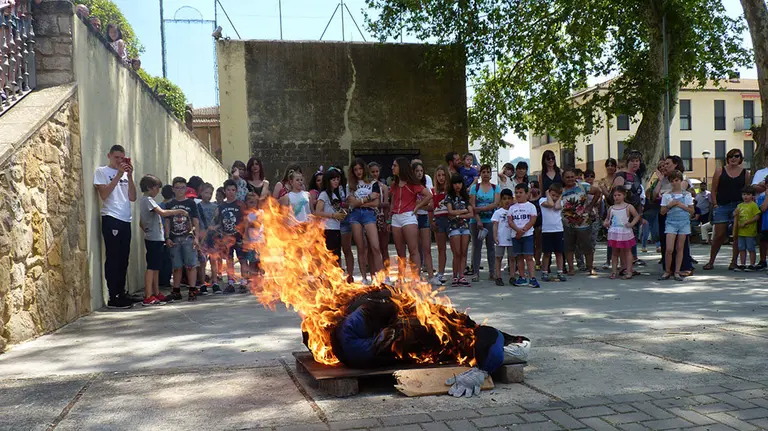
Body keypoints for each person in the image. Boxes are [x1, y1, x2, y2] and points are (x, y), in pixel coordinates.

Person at [94, 144, 137, 309]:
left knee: (124, 258)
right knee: (113, 257)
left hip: (126, 218)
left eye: (122, 158)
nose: (119, 160)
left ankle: (121, 292)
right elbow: (104, 195)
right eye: (116, 157)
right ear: (109, 156)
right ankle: (113, 295)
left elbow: (132, 197)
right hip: (111, 217)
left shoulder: (126, 174)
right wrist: (118, 175)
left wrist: (130, 176)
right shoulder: (102, 171)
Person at [139, 175, 187, 306]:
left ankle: (156, 292)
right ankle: (148, 295)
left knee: (156, 267)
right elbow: (163, 213)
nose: (158, 191)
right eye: (156, 188)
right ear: (149, 187)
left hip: (156, 237)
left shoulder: (149, 200)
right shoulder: (148, 200)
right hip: (153, 238)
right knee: (151, 267)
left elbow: (141, 223)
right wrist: (178, 211)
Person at [705, 149, 750, 270]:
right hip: (722, 206)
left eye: (736, 156)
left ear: (741, 158)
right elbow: (713, 190)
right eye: (730, 156)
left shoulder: (746, 173)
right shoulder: (720, 171)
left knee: (736, 235)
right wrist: (715, 204)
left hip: (738, 206)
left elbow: (747, 190)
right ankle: (711, 261)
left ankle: (734, 262)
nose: (733, 158)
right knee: (719, 235)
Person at [389, 158, 432, 278]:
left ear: (401, 167)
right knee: (400, 252)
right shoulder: (394, 184)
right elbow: (392, 202)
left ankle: (415, 278)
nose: (392, 168)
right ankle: (401, 277)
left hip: (408, 216)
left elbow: (428, 195)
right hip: (396, 217)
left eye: (395, 165)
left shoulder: (413, 183)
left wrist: (417, 206)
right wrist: (389, 217)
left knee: (413, 249)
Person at [653, 156, 695, 276]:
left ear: (675, 164)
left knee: (681, 245)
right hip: (666, 213)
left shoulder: (683, 178)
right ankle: (668, 268)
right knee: (667, 244)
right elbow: (654, 194)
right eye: (664, 164)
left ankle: (683, 266)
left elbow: (680, 191)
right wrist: (660, 180)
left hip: (680, 215)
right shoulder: (663, 179)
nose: (665, 166)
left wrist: (668, 195)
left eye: (667, 164)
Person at [347, 159, 385, 283]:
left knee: (375, 246)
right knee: (361, 247)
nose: (358, 172)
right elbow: (351, 203)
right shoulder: (350, 185)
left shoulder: (373, 183)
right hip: (355, 215)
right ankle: (364, 277)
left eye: (360, 169)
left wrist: (359, 203)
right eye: (355, 169)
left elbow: (376, 203)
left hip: (369, 214)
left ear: (364, 169)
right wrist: (367, 199)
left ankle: (380, 277)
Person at [164, 177, 201, 300]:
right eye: (177, 187)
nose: (180, 190)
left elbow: (196, 221)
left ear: (186, 188)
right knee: (177, 266)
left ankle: (192, 289)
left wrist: (196, 237)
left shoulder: (191, 203)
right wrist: (167, 237)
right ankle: (176, 290)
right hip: (174, 238)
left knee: (191, 265)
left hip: (188, 238)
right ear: (173, 189)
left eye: (183, 187)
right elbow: (167, 222)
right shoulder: (169, 204)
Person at [561, 168, 601, 276]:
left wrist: (590, 206)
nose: (570, 179)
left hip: (584, 222)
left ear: (575, 177)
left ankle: (590, 268)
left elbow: (598, 192)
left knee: (587, 247)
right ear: (563, 179)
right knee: (569, 247)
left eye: (572, 177)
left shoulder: (583, 186)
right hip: (567, 223)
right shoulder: (561, 190)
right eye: (567, 177)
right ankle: (571, 269)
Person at [212, 180, 246, 294]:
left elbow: (245, 221)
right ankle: (231, 282)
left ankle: (243, 282)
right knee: (229, 260)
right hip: (227, 238)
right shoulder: (221, 206)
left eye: (233, 190)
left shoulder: (240, 204)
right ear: (224, 191)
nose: (231, 192)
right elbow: (219, 222)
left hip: (239, 237)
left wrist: (245, 235)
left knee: (242, 260)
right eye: (228, 190)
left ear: (236, 191)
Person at [469, 165, 499, 281]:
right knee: (476, 247)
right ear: (480, 174)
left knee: (491, 247)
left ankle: (492, 272)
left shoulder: (496, 188)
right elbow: (472, 205)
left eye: (488, 172)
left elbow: (495, 203)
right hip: (476, 221)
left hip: (491, 220)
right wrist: (478, 220)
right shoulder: (474, 188)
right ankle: (475, 272)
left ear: (491, 174)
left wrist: (481, 209)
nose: (486, 174)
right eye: (484, 172)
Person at [605, 187, 640, 280]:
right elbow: (607, 219)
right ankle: (613, 271)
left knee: (627, 251)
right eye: (615, 195)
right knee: (614, 253)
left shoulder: (628, 206)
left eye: (619, 195)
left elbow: (637, 216)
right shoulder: (611, 208)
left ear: (624, 195)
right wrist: (606, 223)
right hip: (614, 232)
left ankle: (629, 271)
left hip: (625, 232)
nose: (616, 197)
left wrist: (631, 224)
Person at [445, 175, 473, 286]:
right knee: (456, 253)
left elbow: (471, 213)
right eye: (455, 183)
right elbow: (450, 212)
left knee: (463, 252)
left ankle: (462, 276)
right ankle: (454, 276)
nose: (458, 185)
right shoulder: (449, 197)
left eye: (460, 183)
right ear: (452, 185)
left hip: (465, 227)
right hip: (454, 228)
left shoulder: (466, 197)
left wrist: (458, 215)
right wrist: (463, 212)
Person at [509, 183, 539, 288]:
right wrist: (517, 231)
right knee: (519, 257)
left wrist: (524, 230)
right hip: (516, 235)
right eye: (516, 192)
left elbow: (533, 220)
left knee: (529, 256)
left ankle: (532, 278)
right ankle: (522, 277)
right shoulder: (512, 208)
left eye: (521, 192)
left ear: (527, 194)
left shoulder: (531, 206)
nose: (518, 195)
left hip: (528, 235)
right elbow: (510, 221)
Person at [315, 169, 347, 266]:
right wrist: (333, 215)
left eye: (337, 179)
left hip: (336, 228)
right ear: (328, 181)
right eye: (333, 179)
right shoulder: (324, 194)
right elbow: (318, 212)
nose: (336, 181)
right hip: (327, 229)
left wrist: (342, 214)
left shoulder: (335, 195)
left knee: (336, 256)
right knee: (328, 257)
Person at [539, 183, 566, 282]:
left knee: (559, 252)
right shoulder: (542, 201)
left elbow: (556, 207)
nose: (554, 198)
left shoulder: (560, 202)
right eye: (552, 195)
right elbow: (550, 204)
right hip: (547, 231)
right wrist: (547, 195)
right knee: (547, 253)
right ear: (548, 193)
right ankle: (545, 272)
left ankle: (560, 271)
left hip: (558, 229)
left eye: (557, 196)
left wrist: (560, 196)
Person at [369, 162, 391, 273]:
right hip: (370, 217)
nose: (375, 174)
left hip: (381, 217)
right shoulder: (367, 186)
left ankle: (386, 273)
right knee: (372, 248)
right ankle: (374, 273)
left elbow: (386, 204)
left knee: (384, 247)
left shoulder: (384, 187)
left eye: (377, 171)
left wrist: (388, 221)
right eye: (372, 172)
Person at [431, 166, 450, 284]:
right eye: (439, 175)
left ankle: (458, 273)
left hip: (450, 219)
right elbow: (431, 207)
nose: (441, 178)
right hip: (438, 220)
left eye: (443, 175)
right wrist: (432, 220)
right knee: (441, 248)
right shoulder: (433, 191)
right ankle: (441, 272)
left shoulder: (450, 191)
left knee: (455, 248)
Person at [197, 183, 217, 294]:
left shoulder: (215, 207)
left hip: (213, 237)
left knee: (214, 260)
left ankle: (215, 282)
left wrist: (215, 227)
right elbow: (195, 222)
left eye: (210, 193)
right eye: (206, 193)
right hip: (202, 237)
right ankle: (202, 283)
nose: (208, 195)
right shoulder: (198, 207)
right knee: (203, 261)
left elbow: (219, 223)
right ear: (201, 193)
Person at [492, 189, 515, 286]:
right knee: (498, 257)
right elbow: (495, 225)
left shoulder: (514, 211)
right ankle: (498, 276)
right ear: (501, 200)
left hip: (512, 237)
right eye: (504, 199)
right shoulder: (498, 212)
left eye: (509, 198)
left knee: (512, 258)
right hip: (501, 238)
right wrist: (495, 236)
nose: (507, 201)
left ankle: (512, 276)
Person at [734, 186, 761, 271]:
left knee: (751, 248)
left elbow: (757, 217)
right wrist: (737, 221)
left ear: (752, 196)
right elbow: (735, 216)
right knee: (741, 248)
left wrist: (746, 222)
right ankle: (742, 264)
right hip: (740, 232)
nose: (745, 196)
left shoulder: (753, 205)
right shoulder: (739, 205)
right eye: (744, 194)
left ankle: (752, 264)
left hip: (750, 231)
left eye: (748, 194)